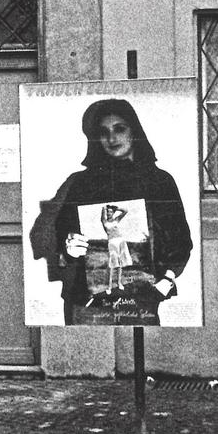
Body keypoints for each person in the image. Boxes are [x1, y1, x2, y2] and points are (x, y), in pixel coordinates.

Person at [29, 98, 193, 325]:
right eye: (103, 132)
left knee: (139, 356)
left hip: (141, 298)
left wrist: (166, 280)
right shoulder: (81, 183)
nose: (112, 138)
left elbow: (181, 241)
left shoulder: (159, 181)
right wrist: (69, 250)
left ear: (134, 131)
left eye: (119, 129)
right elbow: (53, 238)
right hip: (88, 302)